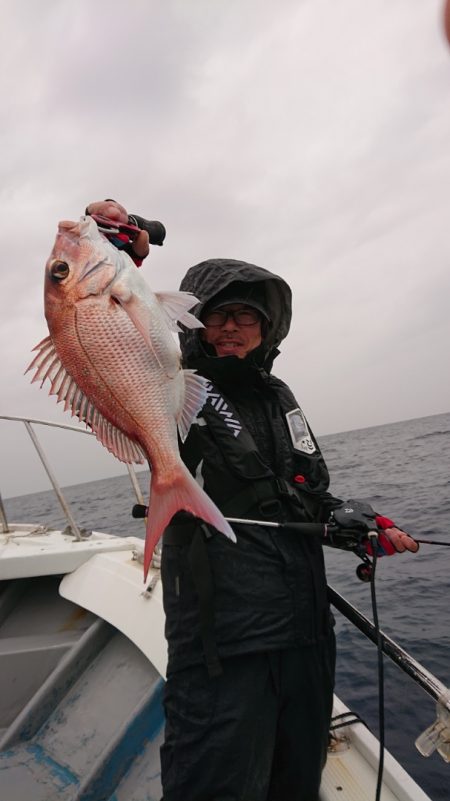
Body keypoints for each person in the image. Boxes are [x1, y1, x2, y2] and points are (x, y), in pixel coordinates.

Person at [86, 200, 419, 801]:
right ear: (194, 324)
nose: (234, 327)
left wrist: (353, 521)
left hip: (307, 637)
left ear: (268, 328)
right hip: (224, 646)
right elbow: (109, 337)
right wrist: (113, 256)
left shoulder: (279, 394)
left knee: (296, 783)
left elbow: (302, 493)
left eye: (248, 316)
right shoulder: (173, 385)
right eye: (219, 316)